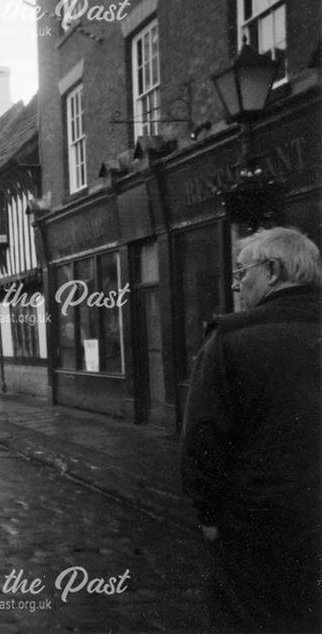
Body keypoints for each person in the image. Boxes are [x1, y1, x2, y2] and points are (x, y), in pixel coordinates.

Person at [181, 226, 321, 633]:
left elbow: (203, 438)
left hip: (258, 527)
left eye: (242, 274)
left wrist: (207, 513)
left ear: (273, 271)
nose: (236, 285)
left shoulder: (232, 337)